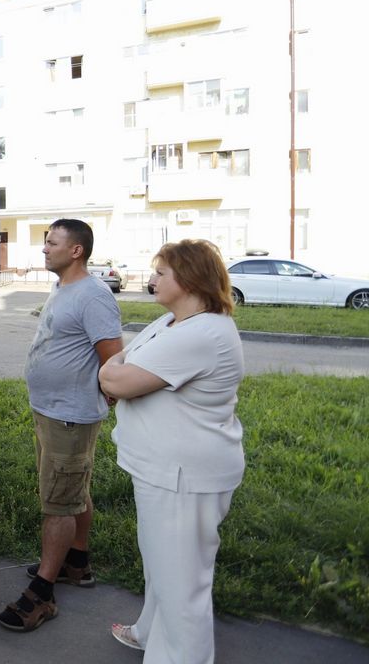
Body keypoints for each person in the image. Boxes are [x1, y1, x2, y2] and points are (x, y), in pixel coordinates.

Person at [99, 239, 245, 662]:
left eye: (161, 273)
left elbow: (116, 378)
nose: (151, 280)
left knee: (183, 585)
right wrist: (117, 372)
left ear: (190, 279)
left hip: (184, 477)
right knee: (162, 567)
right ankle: (149, 632)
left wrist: (115, 375)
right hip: (162, 471)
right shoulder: (171, 322)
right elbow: (119, 363)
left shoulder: (202, 333)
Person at [0, 218, 122, 632]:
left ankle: (43, 593)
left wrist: (107, 391)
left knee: (58, 503)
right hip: (50, 410)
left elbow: (113, 358)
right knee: (72, 491)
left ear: (76, 250)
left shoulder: (94, 295)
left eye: (52, 243)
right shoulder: (63, 287)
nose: (44, 248)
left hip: (70, 414)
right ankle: (76, 563)